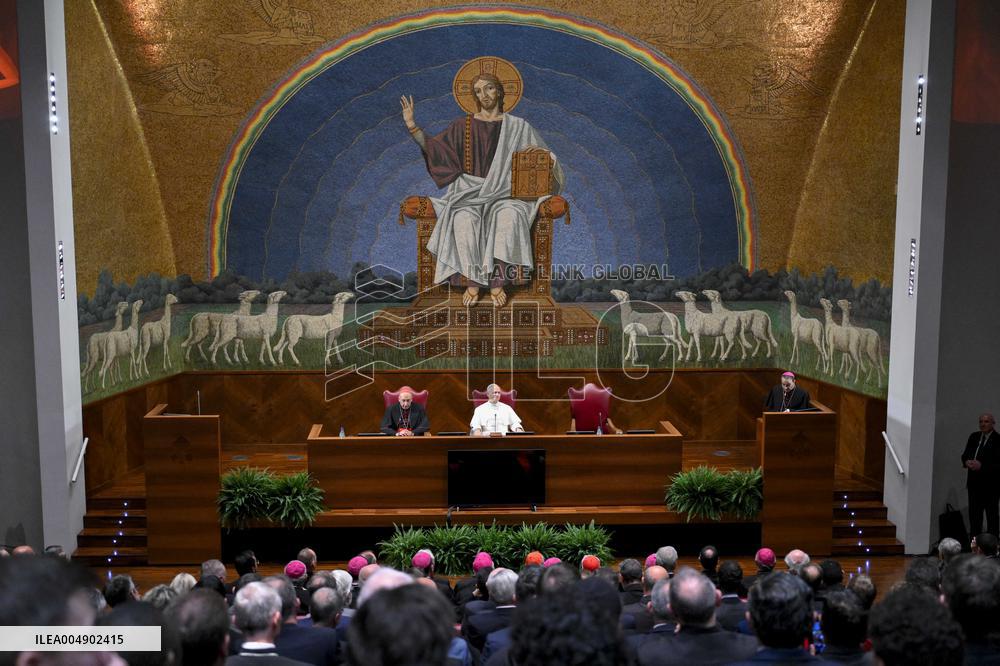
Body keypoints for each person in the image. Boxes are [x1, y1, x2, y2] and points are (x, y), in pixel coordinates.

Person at [401, 64, 563, 308]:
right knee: (462, 218)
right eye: (477, 91)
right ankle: (473, 281)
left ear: (499, 91)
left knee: (508, 215)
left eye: (488, 88)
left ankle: (497, 282)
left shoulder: (519, 127)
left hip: (508, 194)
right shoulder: (462, 126)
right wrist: (413, 126)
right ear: (474, 96)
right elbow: (436, 151)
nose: (484, 94)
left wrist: (543, 155)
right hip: (469, 192)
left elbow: (547, 159)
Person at [961, 413, 1000, 536]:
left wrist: (982, 466)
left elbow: (998, 464)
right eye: (981, 421)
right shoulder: (974, 437)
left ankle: (993, 548)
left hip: (991, 486)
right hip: (974, 485)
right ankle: (974, 547)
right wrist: (966, 461)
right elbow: (965, 455)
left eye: (986, 421)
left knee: (992, 517)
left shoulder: (998, 440)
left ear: (993, 424)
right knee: (975, 518)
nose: (983, 424)